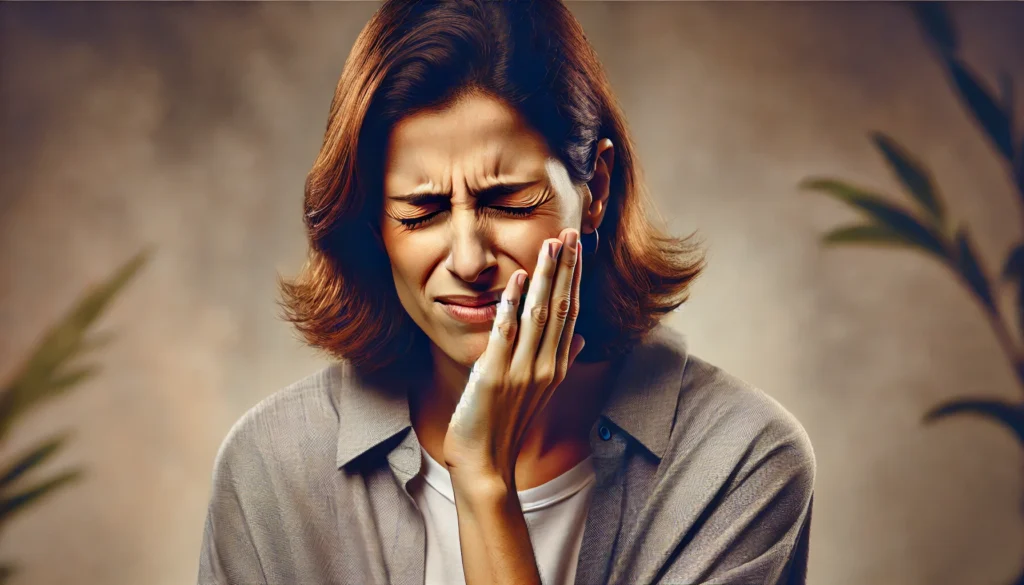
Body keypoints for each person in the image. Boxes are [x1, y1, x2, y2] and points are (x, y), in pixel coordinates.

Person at [196, 1, 816, 584]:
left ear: (594, 189)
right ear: (372, 221)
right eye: (421, 211)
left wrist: (484, 482)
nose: (469, 260)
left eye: (508, 201)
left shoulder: (744, 458)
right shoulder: (271, 467)